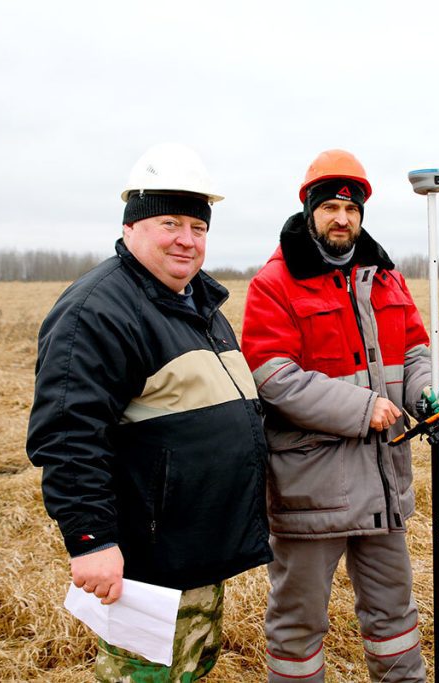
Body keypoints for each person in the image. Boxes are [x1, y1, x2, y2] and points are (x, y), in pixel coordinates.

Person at [26, 143, 272, 681]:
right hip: (147, 562)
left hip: (198, 548)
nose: (187, 239)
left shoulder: (199, 303)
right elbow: (68, 436)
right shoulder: (98, 311)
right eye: (170, 223)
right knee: (145, 673)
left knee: (189, 668)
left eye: (198, 227)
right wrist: (92, 540)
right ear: (132, 227)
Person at [241, 149, 439, 683]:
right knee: (298, 625)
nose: (342, 217)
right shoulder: (275, 284)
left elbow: (414, 352)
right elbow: (274, 379)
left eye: (352, 208)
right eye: (331, 206)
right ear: (310, 210)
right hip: (311, 488)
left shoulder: (386, 278)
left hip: (383, 484)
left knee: (396, 618)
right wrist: (363, 409)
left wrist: (427, 391)